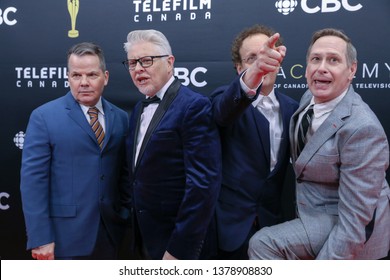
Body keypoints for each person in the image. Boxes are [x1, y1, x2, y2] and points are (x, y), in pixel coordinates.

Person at [249, 28, 390, 259]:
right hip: (311, 213)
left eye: (333, 60)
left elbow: (356, 222)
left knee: (262, 243)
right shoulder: (309, 98)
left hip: (348, 223)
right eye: (316, 59)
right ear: (307, 68)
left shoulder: (362, 128)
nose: (321, 67)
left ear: (351, 70)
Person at [20, 42, 131, 260]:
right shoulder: (44, 117)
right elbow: (33, 183)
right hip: (63, 238)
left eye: (92, 74)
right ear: (68, 77)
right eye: (76, 75)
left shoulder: (121, 117)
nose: (84, 83)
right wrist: (40, 237)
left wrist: (123, 214)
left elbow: (124, 174)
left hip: (111, 235)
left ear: (105, 77)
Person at [122, 29, 221, 260]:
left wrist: (179, 250)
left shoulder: (193, 106)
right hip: (143, 239)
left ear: (170, 62)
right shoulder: (139, 108)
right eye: (132, 63)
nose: (138, 69)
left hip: (177, 246)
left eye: (146, 61)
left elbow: (203, 186)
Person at [210, 24, 299, 259]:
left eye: (267, 55)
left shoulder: (294, 110)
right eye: (252, 58)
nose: (262, 62)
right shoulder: (224, 99)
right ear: (239, 68)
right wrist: (254, 74)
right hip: (229, 233)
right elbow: (222, 111)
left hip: (275, 229)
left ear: (278, 59)